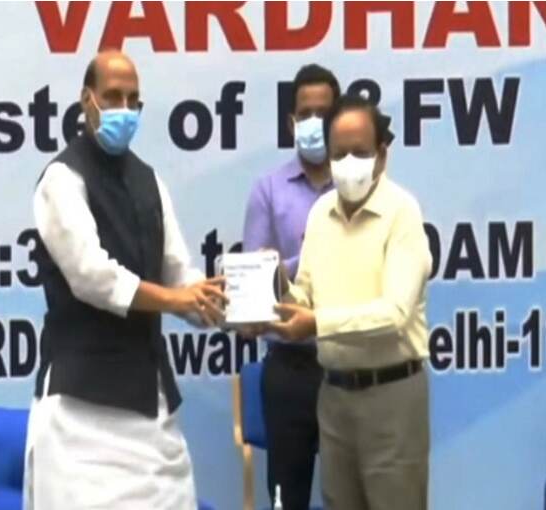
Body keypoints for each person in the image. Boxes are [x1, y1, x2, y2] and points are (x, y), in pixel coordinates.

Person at [23, 50, 226, 510]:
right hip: (79, 409)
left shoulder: (150, 181)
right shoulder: (61, 178)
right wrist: (177, 299)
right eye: (113, 97)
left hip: (149, 405)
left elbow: (179, 272)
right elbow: (91, 276)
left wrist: (221, 302)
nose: (124, 109)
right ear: (86, 100)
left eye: (133, 100)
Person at [268, 94, 432, 510]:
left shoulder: (402, 212)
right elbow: (305, 295)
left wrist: (316, 323)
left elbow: (395, 314)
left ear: (381, 155)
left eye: (360, 152)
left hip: (391, 397)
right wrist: (274, 287)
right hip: (334, 396)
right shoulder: (321, 213)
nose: (348, 163)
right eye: (339, 154)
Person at [241, 64, 340, 509]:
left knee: (354, 496)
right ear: (291, 122)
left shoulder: (358, 190)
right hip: (290, 368)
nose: (314, 122)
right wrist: (316, 260)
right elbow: (255, 282)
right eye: (306, 114)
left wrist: (290, 266)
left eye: (324, 112)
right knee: (287, 498)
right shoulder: (268, 190)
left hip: (348, 364)